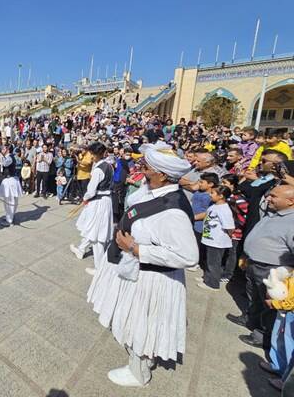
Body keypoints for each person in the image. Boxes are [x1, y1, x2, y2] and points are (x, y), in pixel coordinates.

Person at [86, 143, 197, 387]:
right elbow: (137, 203)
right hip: (137, 271)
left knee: (140, 322)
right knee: (139, 322)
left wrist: (136, 249)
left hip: (151, 278)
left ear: (163, 175)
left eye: (146, 167)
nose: (141, 170)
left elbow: (188, 256)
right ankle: (144, 360)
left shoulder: (173, 210)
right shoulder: (156, 192)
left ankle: (139, 373)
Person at [239, 185, 294, 350]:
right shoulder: (275, 213)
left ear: (290, 201)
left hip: (273, 271)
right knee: (254, 296)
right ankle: (250, 320)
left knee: (268, 305)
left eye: (274, 196)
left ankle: (262, 336)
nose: (268, 199)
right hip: (254, 264)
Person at [69, 142, 114, 266]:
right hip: (105, 200)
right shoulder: (109, 166)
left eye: (92, 154)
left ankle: (99, 267)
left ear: (95, 154)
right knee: (94, 229)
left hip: (98, 201)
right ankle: (81, 249)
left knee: (97, 234)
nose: (91, 156)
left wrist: (86, 198)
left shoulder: (99, 169)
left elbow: (91, 189)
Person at [198, 185, 235, 291]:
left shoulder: (225, 209)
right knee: (209, 261)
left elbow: (230, 227)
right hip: (210, 239)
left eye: (213, 193)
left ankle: (213, 284)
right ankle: (207, 278)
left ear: (221, 196)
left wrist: (227, 236)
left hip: (217, 241)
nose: (210, 195)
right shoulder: (215, 206)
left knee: (214, 263)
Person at [0, 145, 22, 227]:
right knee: (8, 201)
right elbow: (2, 163)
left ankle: (9, 220)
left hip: (10, 181)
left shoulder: (9, 157)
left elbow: (5, 164)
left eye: (3, 149)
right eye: (1, 149)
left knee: (10, 201)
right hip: (9, 180)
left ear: (6, 149)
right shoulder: (7, 157)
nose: (2, 150)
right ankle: (9, 216)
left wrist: (0, 156)